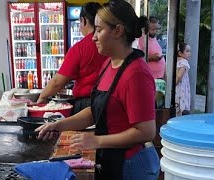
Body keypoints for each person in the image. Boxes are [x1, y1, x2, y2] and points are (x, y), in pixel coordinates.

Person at [36, 0, 160, 179]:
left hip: (132, 164)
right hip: (111, 157)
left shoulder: (136, 74)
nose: (93, 37)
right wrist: (59, 125)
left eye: (99, 30)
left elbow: (146, 131)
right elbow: (96, 111)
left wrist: (97, 140)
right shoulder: (108, 64)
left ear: (118, 30)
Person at [37, 2, 108, 114]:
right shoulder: (110, 44)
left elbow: (57, 82)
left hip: (86, 104)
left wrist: (42, 97)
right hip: (107, 102)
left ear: (83, 20)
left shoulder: (80, 48)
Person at [176, 42, 191, 116]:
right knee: (182, 106)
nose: (189, 53)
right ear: (180, 53)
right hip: (181, 88)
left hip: (176, 88)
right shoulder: (184, 62)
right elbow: (179, 76)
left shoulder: (175, 61)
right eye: (187, 51)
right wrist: (175, 83)